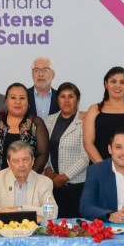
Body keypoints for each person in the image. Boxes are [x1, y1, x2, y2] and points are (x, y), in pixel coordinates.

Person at [82, 66, 124, 164]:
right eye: (113, 81)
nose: (117, 86)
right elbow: (88, 143)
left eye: (122, 82)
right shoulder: (94, 109)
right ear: (106, 84)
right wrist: (103, 167)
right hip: (100, 168)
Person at [44, 82, 87, 218]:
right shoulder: (48, 121)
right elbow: (43, 150)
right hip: (51, 184)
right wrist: (49, 173)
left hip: (76, 186)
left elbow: (86, 156)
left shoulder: (85, 122)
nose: (66, 100)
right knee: (52, 223)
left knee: (75, 225)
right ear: (57, 100)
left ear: (78, 100)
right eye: (62, 96)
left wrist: (63, 177)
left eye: (71, 96)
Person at [0, 140, 56, 218]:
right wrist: (31, 216)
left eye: (25, 159)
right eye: (15, 161)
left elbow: (51, 212)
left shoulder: (44, 182)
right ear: (9, 163)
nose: (21, 165)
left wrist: (19, 209)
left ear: (32, 161)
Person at [0, 83, 49, 175]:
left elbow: (43, 154)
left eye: (22, 98)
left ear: (28, 101)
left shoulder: (36, 123)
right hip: (0, 180)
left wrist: (29, 178)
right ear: (6, 101)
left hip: (30, 180)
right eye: (13, 98)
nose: (18, 102)